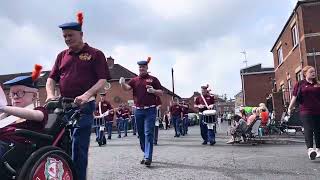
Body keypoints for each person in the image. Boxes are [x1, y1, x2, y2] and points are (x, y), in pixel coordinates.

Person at [45, 12, 110, 180]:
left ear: (81, 34)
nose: (67, 39)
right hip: (62, 106)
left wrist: (87, 94)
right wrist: (51, 95)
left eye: (70, 35)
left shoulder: (96, 54)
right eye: (64, 36)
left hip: (83, 107)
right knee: (56, 145)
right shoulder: (61, 56)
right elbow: (51, 79)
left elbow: (103, 80)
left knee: (78, 147)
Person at [119, 57, 163, 167]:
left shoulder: (153, 79)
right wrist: (122, 83)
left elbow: (161, 92)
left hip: (150, 110)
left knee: (148, 133)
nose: (141, 68)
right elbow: (126, 88)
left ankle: (148, 157)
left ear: (147, 68)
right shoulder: (135, 80)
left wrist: (153, 91)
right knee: (141, 134)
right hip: (138, 111)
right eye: (140, 67)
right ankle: (145, 153)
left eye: (143, 67)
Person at [0, 65, 48, 161]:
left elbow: (36, 115)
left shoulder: (39, 110)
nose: (15, 97)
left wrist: (4, 108)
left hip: (18, 148)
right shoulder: (8, 113)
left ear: (34, 96)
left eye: (20, 92)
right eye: (12, 94)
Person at [288, 66, 320, 160]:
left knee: (318, 130)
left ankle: (318, 149)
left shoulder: (318, 84)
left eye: (314, 71)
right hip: (306, 111)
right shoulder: (300, 84)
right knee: (308, 128)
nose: (313, 73)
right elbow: (294, 96)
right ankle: (310, 150)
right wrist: (290, 108)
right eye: (311, 72)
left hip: (318, 111)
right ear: (305, 73)